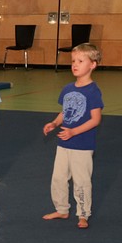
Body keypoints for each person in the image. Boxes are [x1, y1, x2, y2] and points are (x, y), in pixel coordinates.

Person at [42, 43, 103, 229]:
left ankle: (83, 214)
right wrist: (54, 123)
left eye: (80, 61)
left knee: (81, 181)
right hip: (64, 142)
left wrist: (74, 132)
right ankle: (62, 209)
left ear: (92, 65)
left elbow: (95, 119)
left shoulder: (93, 91)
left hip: (82, 145)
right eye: (73, 61)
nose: (75, 64)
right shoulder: (68, 88)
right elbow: (65, 112)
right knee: (58, 178)